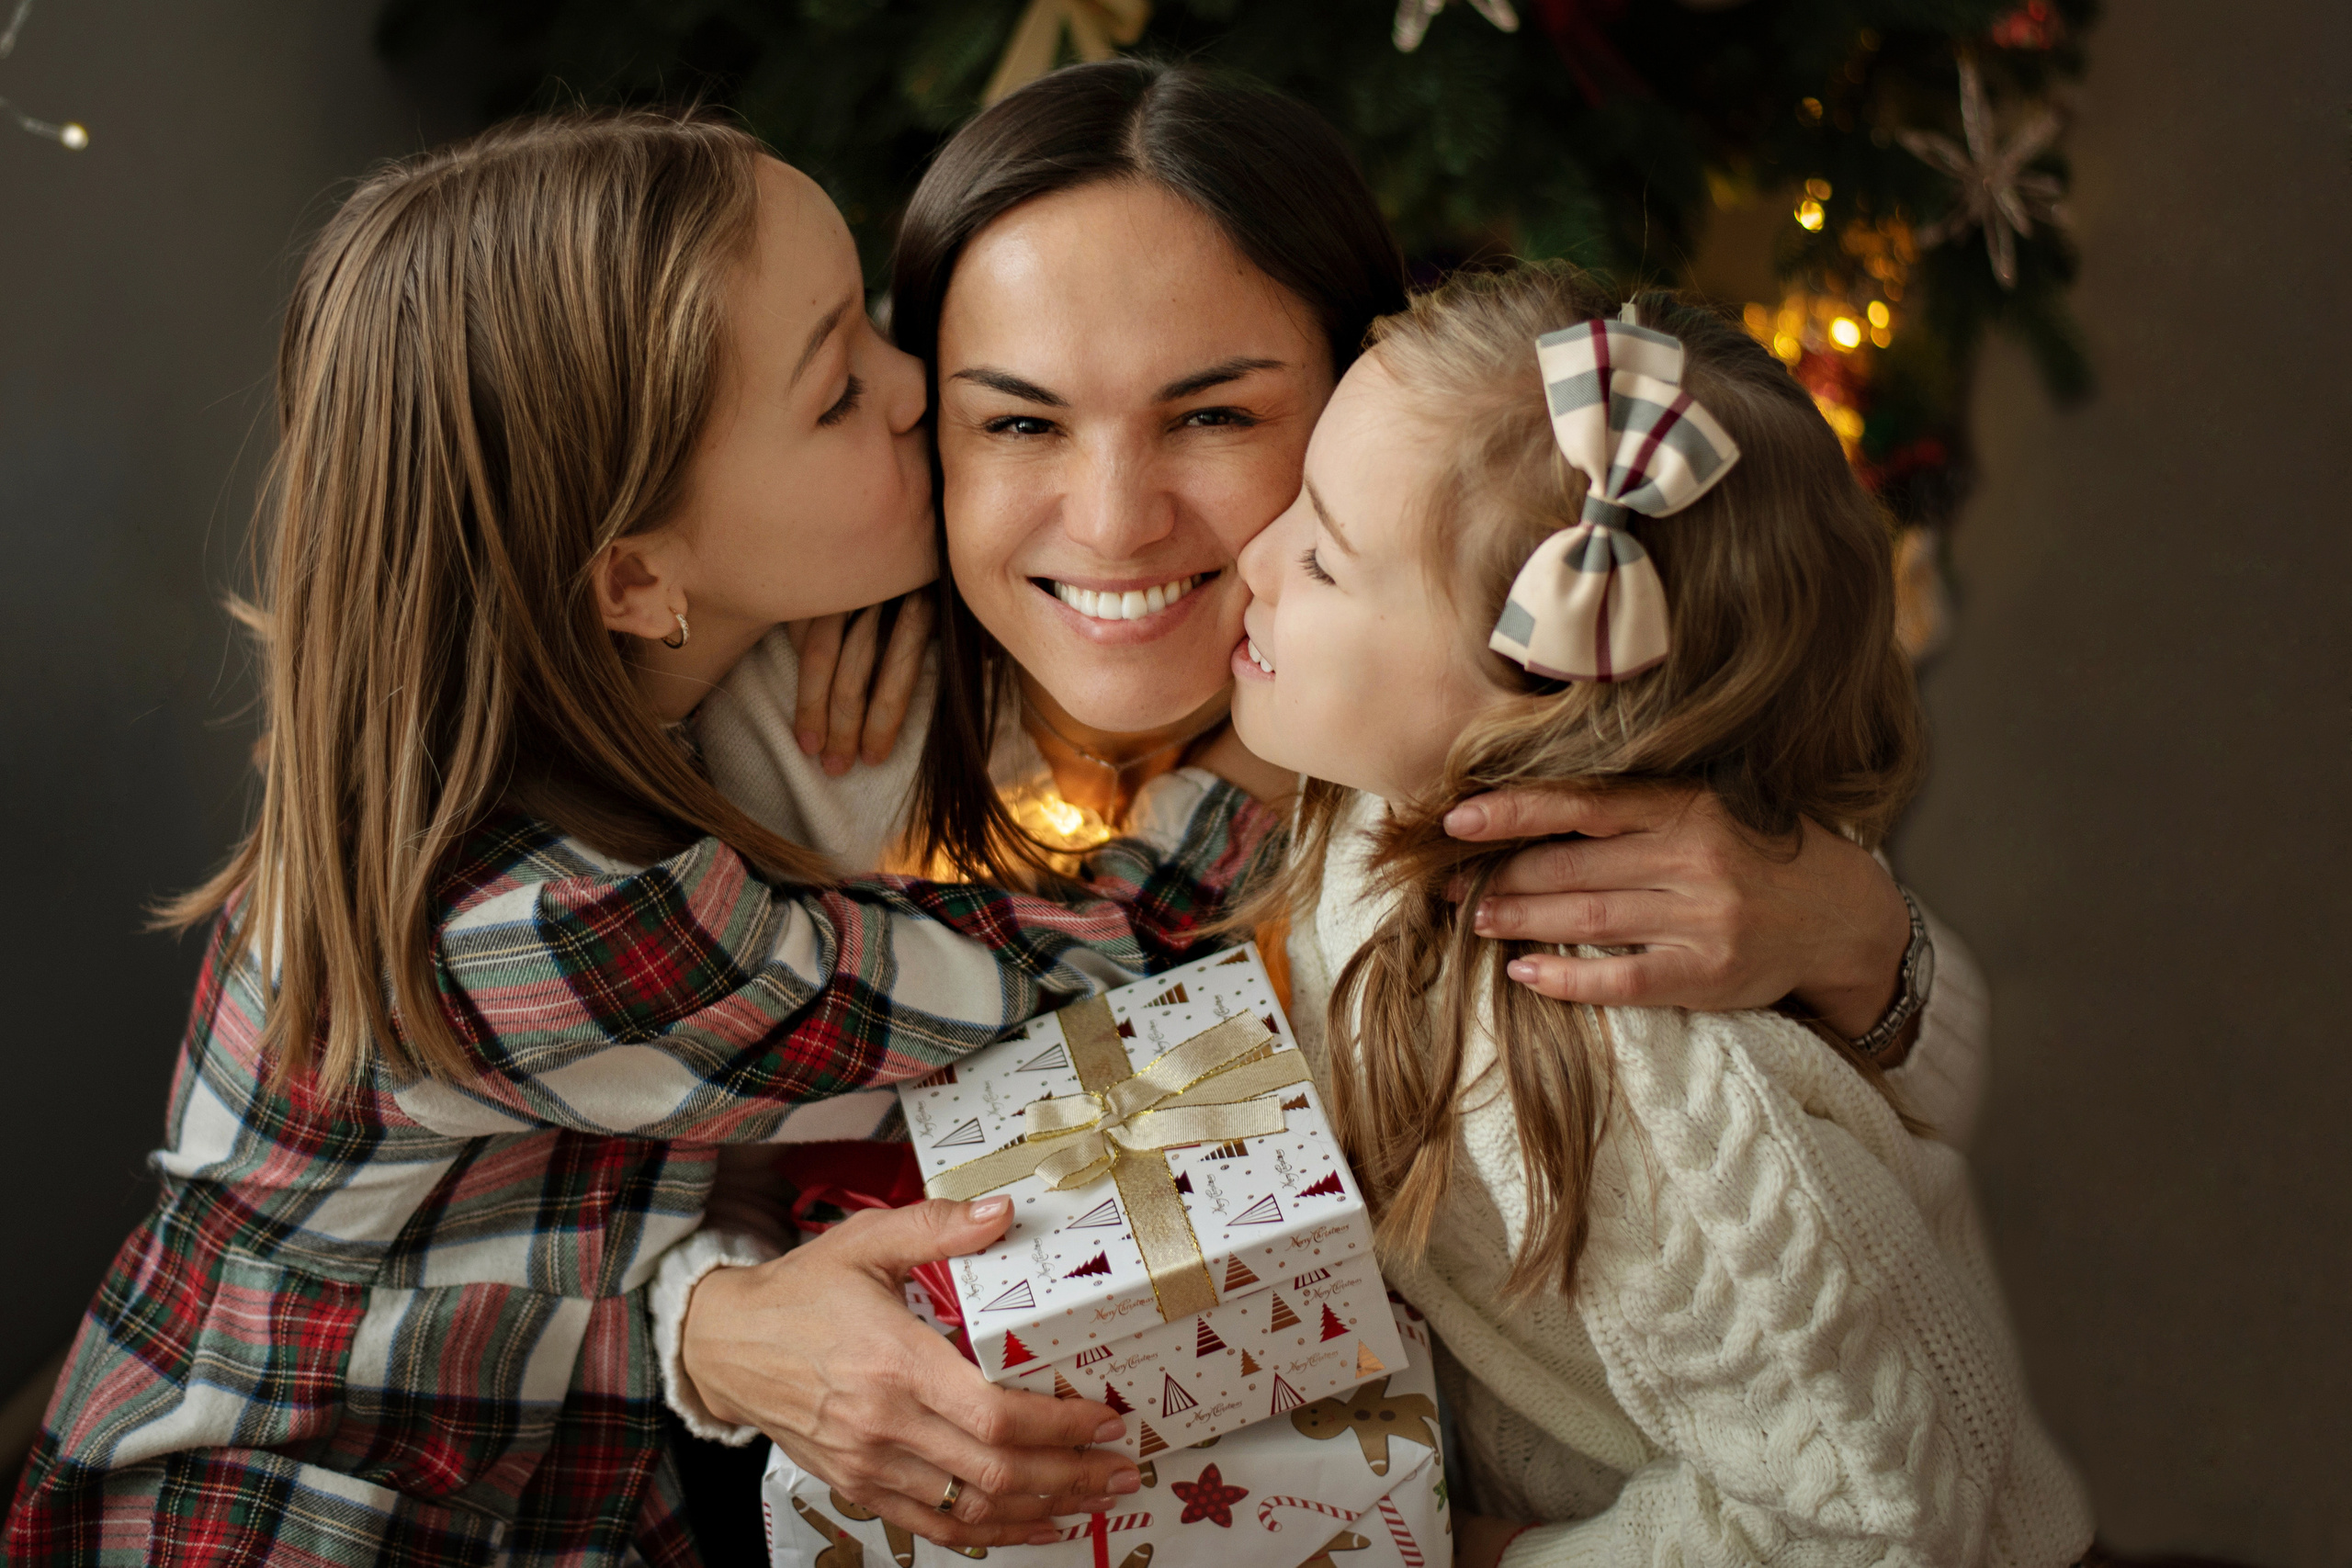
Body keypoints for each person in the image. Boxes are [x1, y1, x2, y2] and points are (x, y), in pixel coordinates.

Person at [664, 57, 1988, 1552]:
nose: (1113, 521)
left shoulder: (1479, 746)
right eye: (1020, 425)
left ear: (1363, 390)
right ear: (929, 428)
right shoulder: (822, 720)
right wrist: (717, 1323)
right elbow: (618, 1161)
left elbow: (1841, 1228)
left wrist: (1869, 952)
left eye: (1214, 417)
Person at [2, 109, 1288, 1565]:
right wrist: (1253, 753)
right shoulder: (562, 922)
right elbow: (1079, 965)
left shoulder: (502, 733)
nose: (917, 384)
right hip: (300, 1517)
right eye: (835, 394)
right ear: (632, 578)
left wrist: (888, 556)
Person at [1226, 264, 2094, 1565]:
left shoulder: (1629, 1085)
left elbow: (1883, 1526)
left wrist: (1495, 1558)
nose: (1249, 555)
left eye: (1324, 558)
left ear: (1534, 716)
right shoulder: (1387, 785)